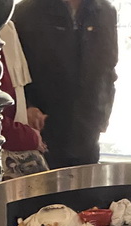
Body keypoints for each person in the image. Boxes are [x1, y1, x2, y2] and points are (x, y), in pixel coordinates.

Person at [12, 0, 118, 169]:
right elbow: (13, 71)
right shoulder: (26, 12)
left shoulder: (106, 12)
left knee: (85, 192)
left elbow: (108, 70)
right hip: (41, 135)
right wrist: (27, 107)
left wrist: (102, 116)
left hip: (87, 135)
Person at [0, 20, 48, 178]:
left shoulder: (7, 29)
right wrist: (27, 136)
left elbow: (16, 88)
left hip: (22, 134)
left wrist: (28, 106)